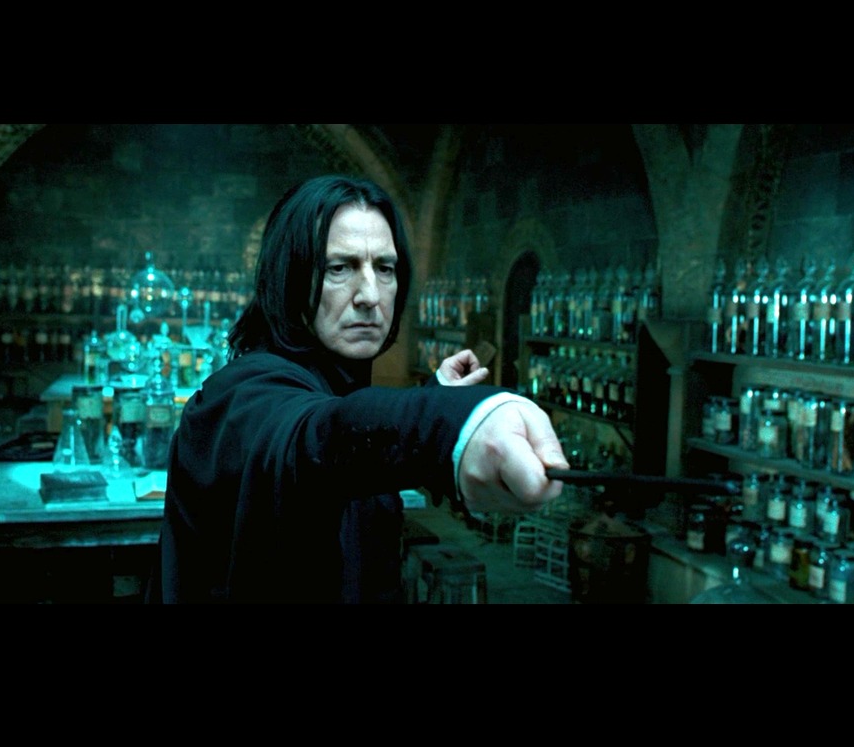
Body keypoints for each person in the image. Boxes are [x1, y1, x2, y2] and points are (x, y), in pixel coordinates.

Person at [145, 174, 568, 604]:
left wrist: (434, 394)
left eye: (384, 268)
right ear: (290, 278)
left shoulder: (334, 387)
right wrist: (453, 423)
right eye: (339, 268)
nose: (370, 295)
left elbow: (348, 443)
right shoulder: (239, 397)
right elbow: (314, 438)